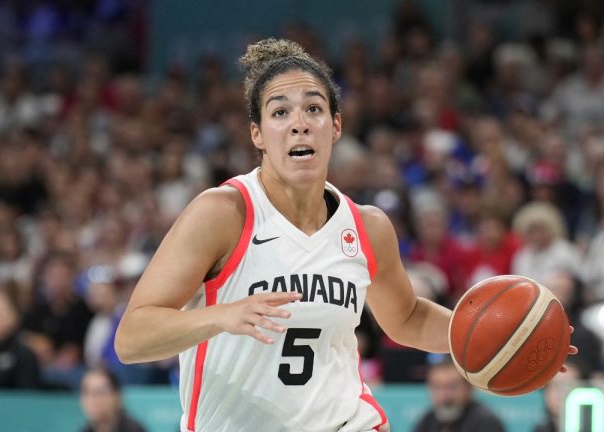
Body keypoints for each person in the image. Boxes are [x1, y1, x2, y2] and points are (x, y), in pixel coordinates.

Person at [114, 38, 576, 432]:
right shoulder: (223, 213)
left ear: (334, 126)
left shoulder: (367, 227)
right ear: (257, 134)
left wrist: (512, 337)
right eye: (279, 112)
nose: (299, 122)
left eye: (314, 108)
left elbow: (408, 318)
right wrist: (221, 317)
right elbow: (131, 338)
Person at [413, 355, 505, 432]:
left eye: (452, 387)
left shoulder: (486, 423)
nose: (445, 396)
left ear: (469, 387)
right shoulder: (427, 421)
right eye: (437, 387)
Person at [79, 366, 147, 432]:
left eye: (101, 392)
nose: (93, 399)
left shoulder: (133, 429)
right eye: (87, 392)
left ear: (117, 395)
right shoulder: (85, 430)